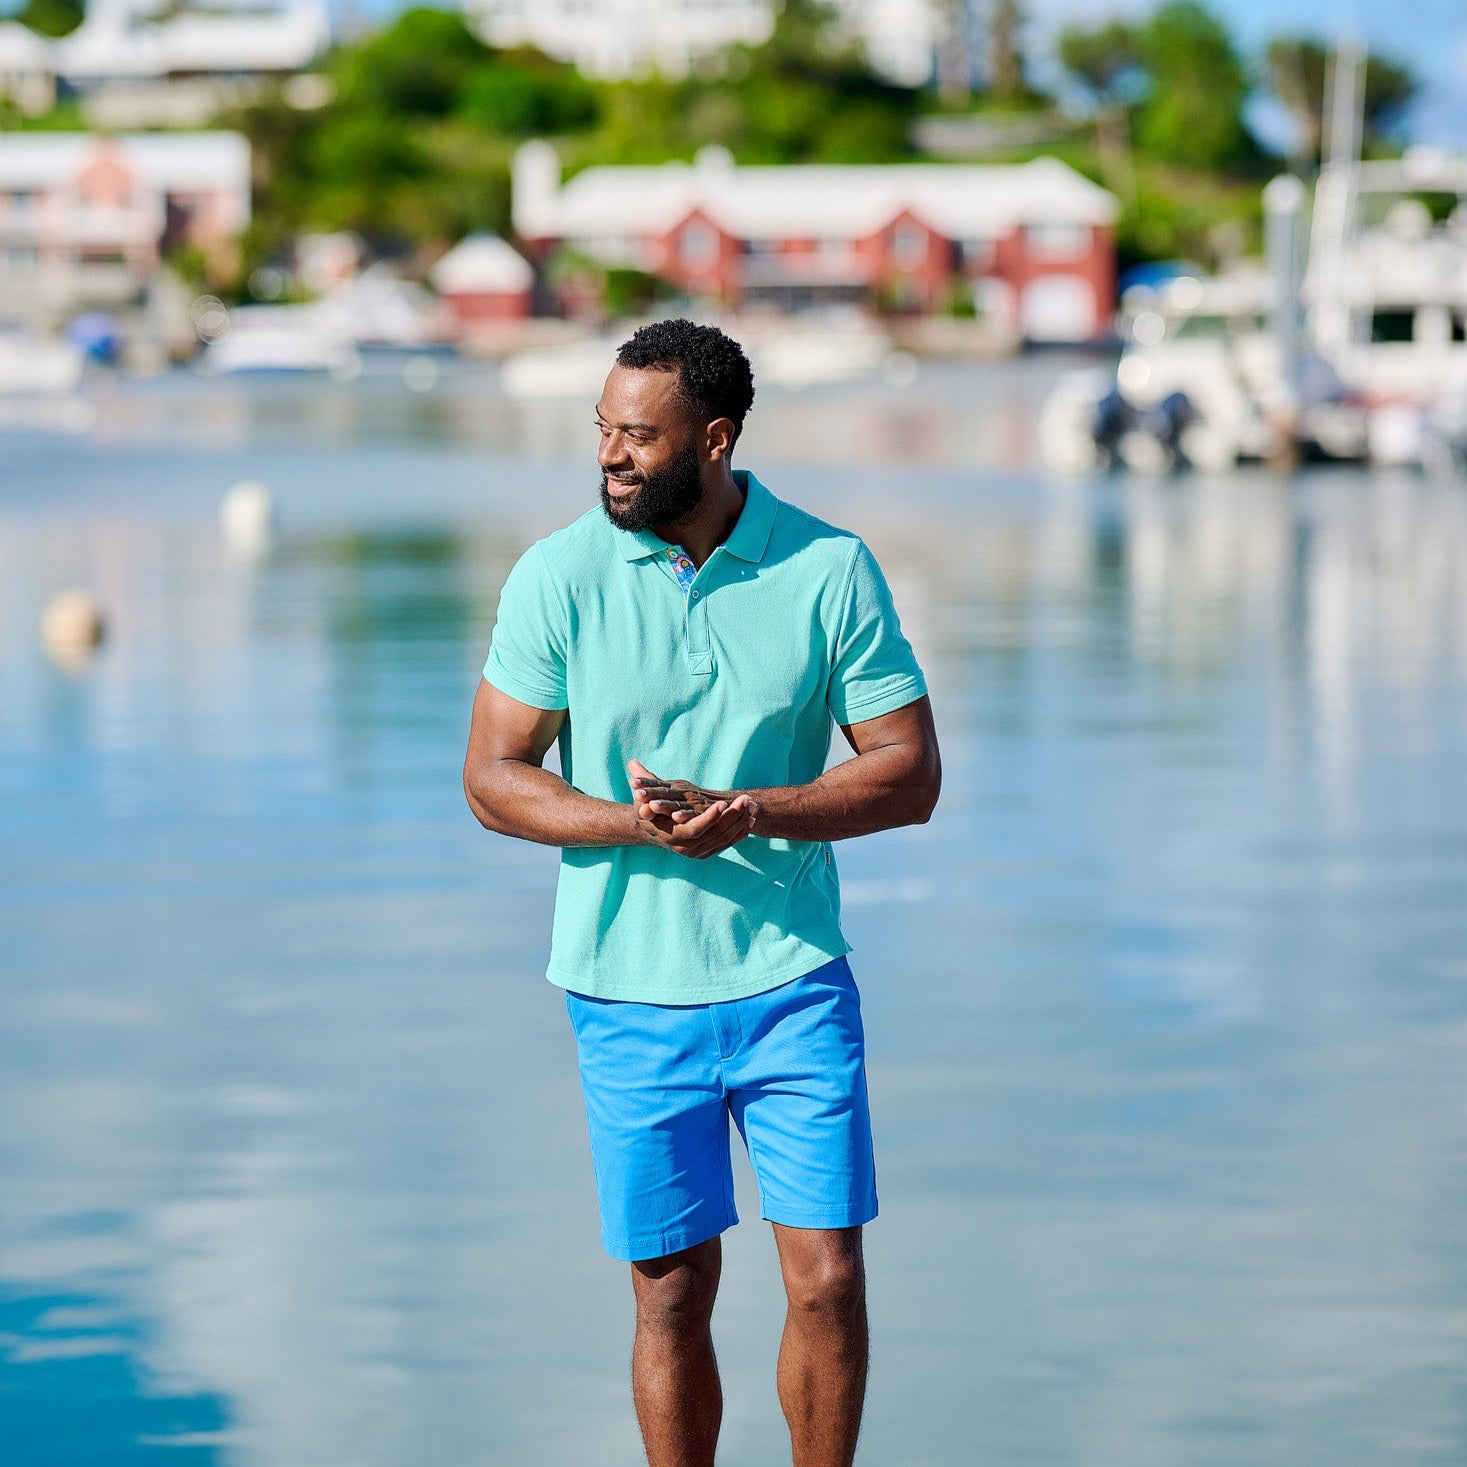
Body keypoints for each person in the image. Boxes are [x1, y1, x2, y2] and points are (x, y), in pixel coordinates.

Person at [463, 318, 940, 1467]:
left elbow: (909, 771)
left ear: (714, 439)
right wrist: (636, 824)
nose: (612, 457)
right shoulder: (557, 575)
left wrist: (756, 809)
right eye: (603, 432)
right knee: (671, 1289)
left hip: (793, 983)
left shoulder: (828, 568)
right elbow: (492, 779)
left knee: (827, 1278)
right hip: (626, 992)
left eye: (639, 436)